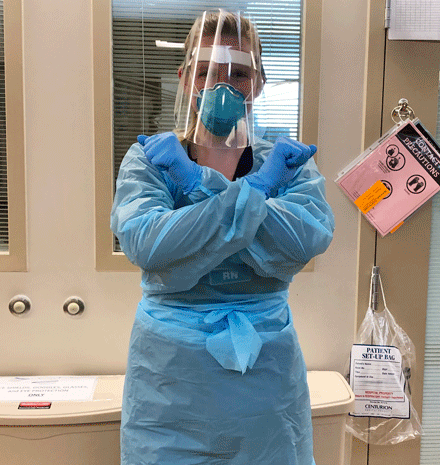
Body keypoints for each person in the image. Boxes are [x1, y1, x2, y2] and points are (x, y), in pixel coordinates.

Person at [111, 9, 334, 464]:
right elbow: (149, 244)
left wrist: (196, 187)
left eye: (240, 73)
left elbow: (301, 240)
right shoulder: (152, 159)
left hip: (265, 380)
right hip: (170, 384)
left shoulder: (286, 162)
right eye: (207, 72)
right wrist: (256, 194)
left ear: (260, 82)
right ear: (184, 76)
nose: (223, 85)